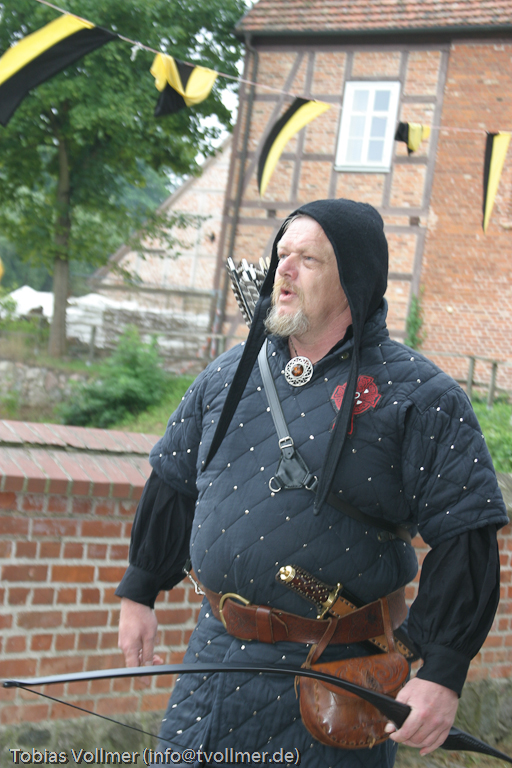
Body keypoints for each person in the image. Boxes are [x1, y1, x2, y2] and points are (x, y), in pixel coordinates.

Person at [116, 198, 508, 767]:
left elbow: (466, 534)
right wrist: (140, 589)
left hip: (334, 680)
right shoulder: (228, 374)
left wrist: (442, 671)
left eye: (308, 259)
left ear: (354, 279)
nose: (285, 270)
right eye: (281, 255)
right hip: (212, 663)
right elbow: (174, 481)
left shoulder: (422, 398)